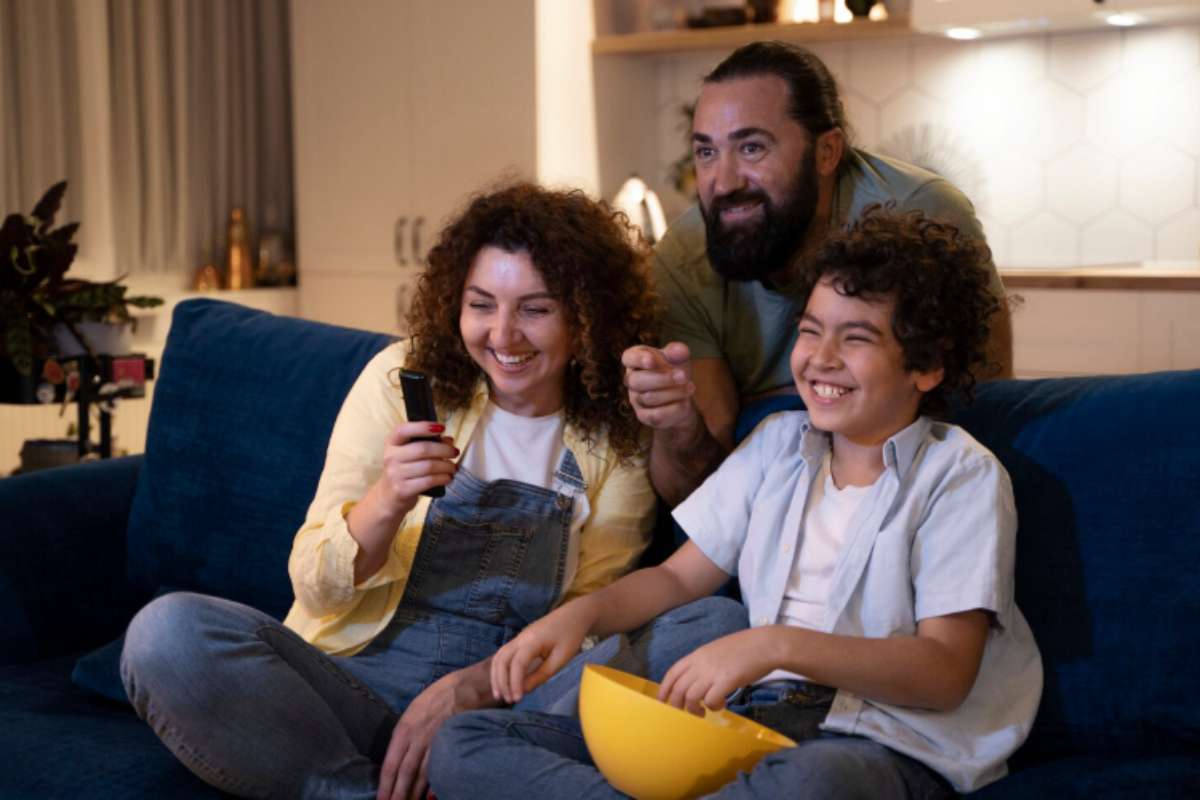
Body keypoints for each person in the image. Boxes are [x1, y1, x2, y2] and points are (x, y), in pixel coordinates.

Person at [428, 207, 1043, 799]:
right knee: (465, 743)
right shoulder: (777, 444)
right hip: (750, 730)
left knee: (815, 782)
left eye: (855, 339)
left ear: (927, 365)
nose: (821, 359)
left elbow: (943, 672)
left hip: (879, 746)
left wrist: (772, 645)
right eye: (810, 330)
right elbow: (676, 577)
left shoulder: (959, 475)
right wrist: (578, 618)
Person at [120, 183, 663, 800]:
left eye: (535, 310)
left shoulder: (615, 433)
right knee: (166, 634)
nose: (503, 336)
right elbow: (312, 585)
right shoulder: (398, 381)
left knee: (675, 636)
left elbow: (586, 624)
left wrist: (468, 691)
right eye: (481, 304)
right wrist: (387, 500)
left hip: (496, 708)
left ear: (586, 316)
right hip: (348, 691)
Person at [623, 41, 1014, 507]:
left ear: (827, 152)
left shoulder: (924, 215)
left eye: (751, 148)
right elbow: (702, 498)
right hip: (765, 509)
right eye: (706, 152)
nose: (723, 182)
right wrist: (678, 427)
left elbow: (987, 408)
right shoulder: (683, 257)